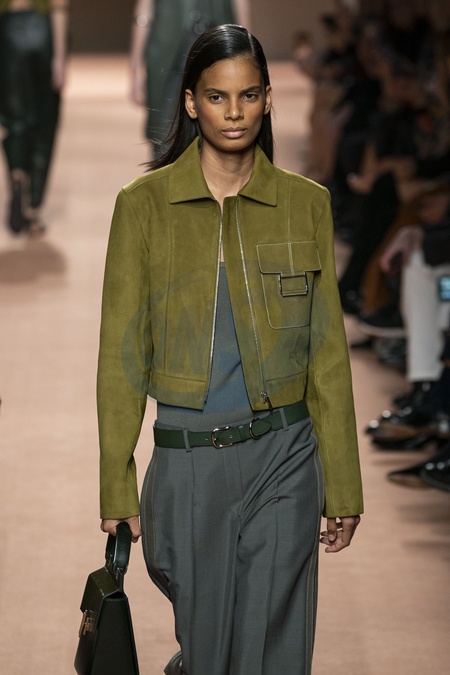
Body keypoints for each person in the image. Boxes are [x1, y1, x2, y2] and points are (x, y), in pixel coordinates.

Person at [98, 25, 363, 675]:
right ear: (192, 103)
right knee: (210, 652)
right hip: (189, 461)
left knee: (274, 649)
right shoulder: (144, 207)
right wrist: (115, 483)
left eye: (248, 95)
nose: (235, 112)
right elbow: (120, 358)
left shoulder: (305, 205)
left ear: (269, 98)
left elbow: (328, 355)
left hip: (285, 454)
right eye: (217, 97)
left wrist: (343, 481)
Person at [130, 0, 250, 157]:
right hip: (167, 50)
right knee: (164, 133)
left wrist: (248, 51)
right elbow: (145, 10)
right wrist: (136, 68)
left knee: (220, 126)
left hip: (218, 44)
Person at [0, 0, 69, 236]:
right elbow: (59, 6)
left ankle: (18, 175)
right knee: (44, 122)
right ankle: (33, 208)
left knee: (16, 120)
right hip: (43, 31)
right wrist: (60, 56)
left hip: (7, 31)